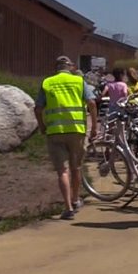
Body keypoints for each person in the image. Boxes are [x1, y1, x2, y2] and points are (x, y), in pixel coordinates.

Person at [34, 55, 99, 220]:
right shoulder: (79, 81)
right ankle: (76, 200)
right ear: (70, 67)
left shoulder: (47, 83)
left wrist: (42, 127)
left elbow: (38, 108)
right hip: (76, 130)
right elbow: (92, 103)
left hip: (55, 131)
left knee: (62, 171)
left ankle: (68, 207)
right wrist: (94, 127)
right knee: (76, 167)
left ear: (55, 68)